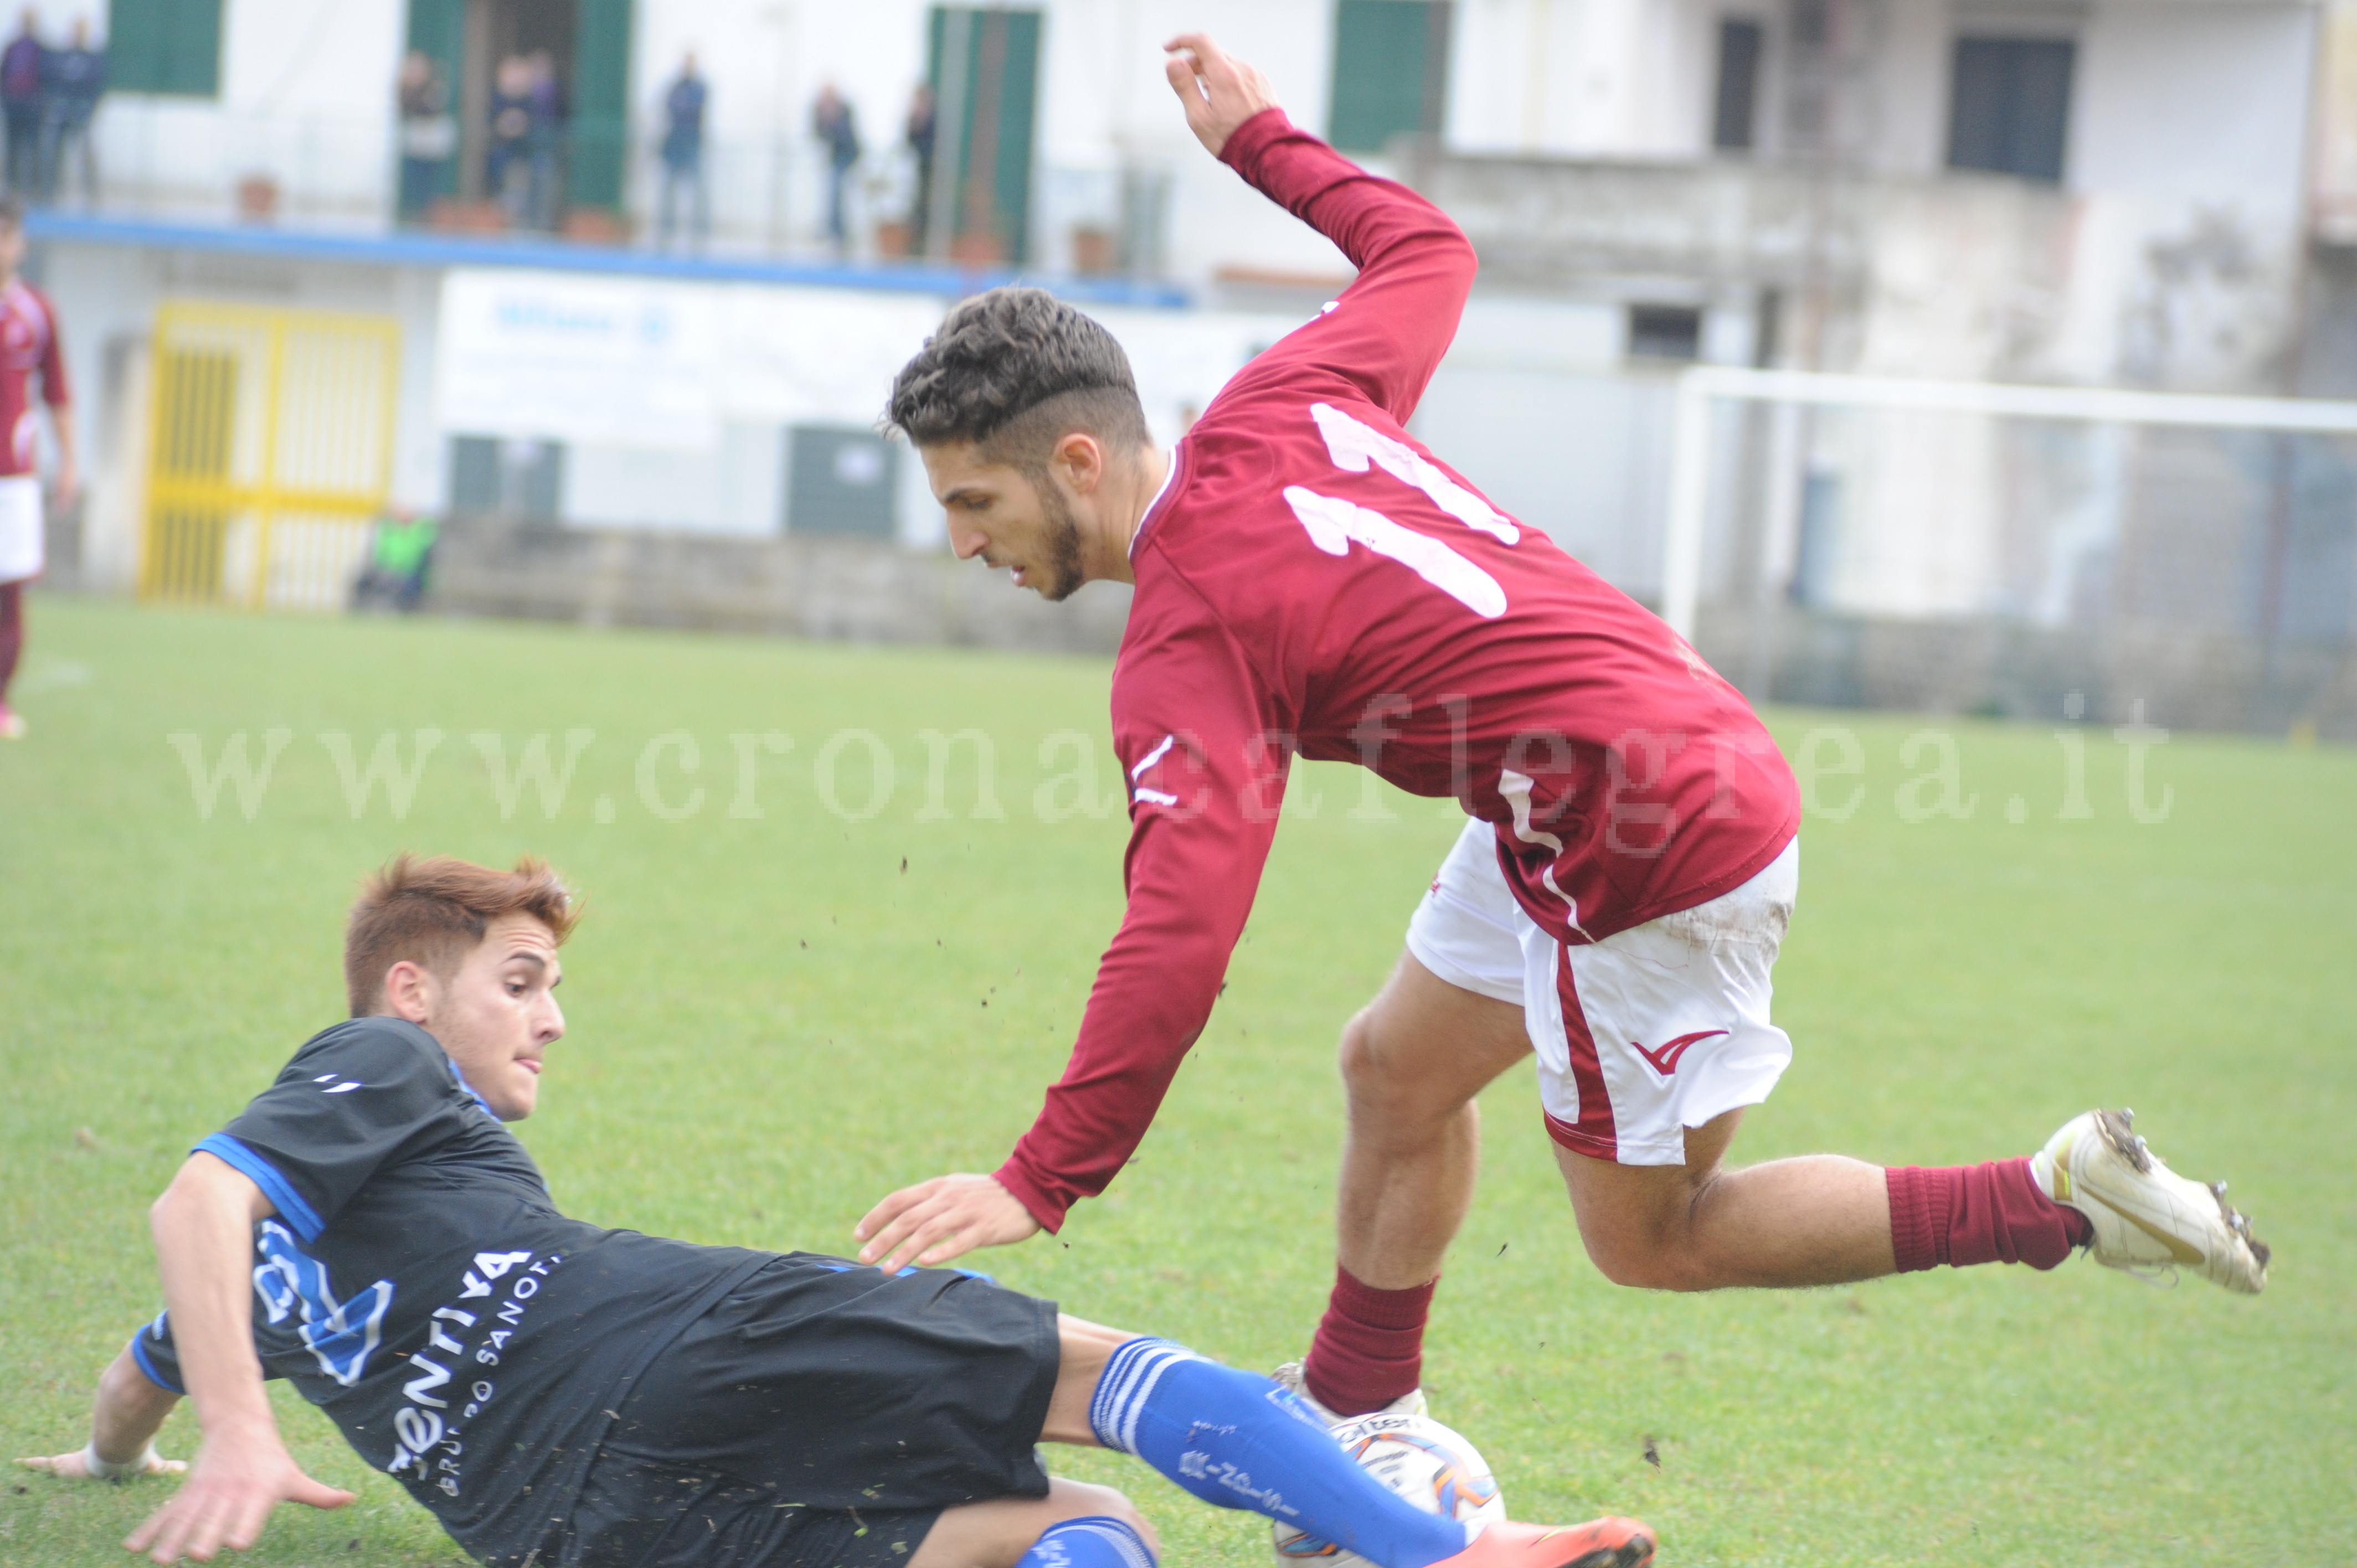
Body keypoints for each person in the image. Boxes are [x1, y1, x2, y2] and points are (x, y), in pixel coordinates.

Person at [857, 33, 2273, 1430]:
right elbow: (1429, 257)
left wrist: (1042, 1174)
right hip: (1605, 769)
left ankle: (2050, 1199)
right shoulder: (1280, 399)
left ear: (1079, 462)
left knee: (1657, 1238)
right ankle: (1364, 1412)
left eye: (974, 503)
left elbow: (1179, 932)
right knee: (1393, 1069)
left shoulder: (1188, 633)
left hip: (1650, 834)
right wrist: (1261, 145)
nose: (964, 542)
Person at [17, 854, 1655, 1568]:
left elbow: (151, 1343)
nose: (549, 1016)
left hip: (574, 1533)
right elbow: (197, 1187)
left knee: (1075, 1537)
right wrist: (236, 1428)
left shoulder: (262, 1287)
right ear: (406, 988)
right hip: (662, 1343)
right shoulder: (378, 1061)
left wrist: (118, 1448)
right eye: (517, 982)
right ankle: (1432, 1542)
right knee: (1097, 1381)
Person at [0, 194, 72, 741]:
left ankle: (1, 700)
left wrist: (69, 463)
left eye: (10, 234)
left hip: (14, 479)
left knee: (10, 593)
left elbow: (58, 394)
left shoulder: (36, 312)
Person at [38, 16, 99, 205]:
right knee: (53, 152)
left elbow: (96, 86)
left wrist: (87, 109)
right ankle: (50, 191)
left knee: (84, 153)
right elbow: (52, 81)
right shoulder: (62, 57)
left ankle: (91, 195)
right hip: (60, 113)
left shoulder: (92, 59)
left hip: (81, 114)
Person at [395, 49, 455, 223]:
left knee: (431, 180)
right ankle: (414, 212)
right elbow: (408, 110)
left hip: (432, 141)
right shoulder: (405, 88)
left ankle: (431, 214)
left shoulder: (434, 86)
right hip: (415, 139)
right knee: (415, 178)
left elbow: (432, 109)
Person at [656, 51, 707, 249]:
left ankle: (698, 231)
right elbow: (670, 106)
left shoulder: (699, 87)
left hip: (691, 143)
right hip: (674, 145)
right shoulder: (675, 86)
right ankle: (666, 229)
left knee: (697, 190)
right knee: (668, 189)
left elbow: (693, 109)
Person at [350, 506, 437, 613]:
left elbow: (416, 559)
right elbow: (380, 556)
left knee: (408, 588)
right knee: (363, 581)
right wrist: (385, 569)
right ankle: (359, 611)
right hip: (387, 571)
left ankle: (406, 614)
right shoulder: (390, 532)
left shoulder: (420, 534)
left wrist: (398, 570)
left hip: (409, 574)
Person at [812, 83, 861, 255]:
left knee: (837, 195)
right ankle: (835, 233)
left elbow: (847, 136)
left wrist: (833, 119)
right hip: (833, 158)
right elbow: (818, 133)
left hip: (847, 157)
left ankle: (840, 235)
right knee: (833, 196)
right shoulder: (820, 111)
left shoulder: (844, 111)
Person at [486, 53, 532, 227]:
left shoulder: (528, 100)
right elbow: (494, 123)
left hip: (521, 156)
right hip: (500, 155)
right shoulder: (497, 98)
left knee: (518, 191)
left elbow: (531, 124)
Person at [0, 9, 42, 197]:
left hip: (32, 106)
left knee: (32, 147)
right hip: (13, 104)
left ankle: (32, 186)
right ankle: (12, 185)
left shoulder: (41, 49)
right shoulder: (13, 47)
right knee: (12, 146)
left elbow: (45, 78)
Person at [905, 81, 936, 254]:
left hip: (931, 168)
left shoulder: (934, 118)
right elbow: (909, 141)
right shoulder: (914, 118)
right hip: (917, 169)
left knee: (928, 204)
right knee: (917, 206)